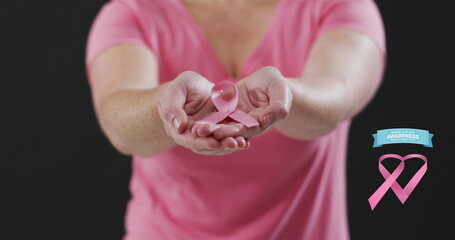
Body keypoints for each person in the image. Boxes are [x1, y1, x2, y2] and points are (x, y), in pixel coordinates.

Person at [86, 0, 385, 239]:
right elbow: (119, 122)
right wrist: (163, 105)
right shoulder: (132, 12)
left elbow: (338, 96)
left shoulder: (342, 6)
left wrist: (286, 96)